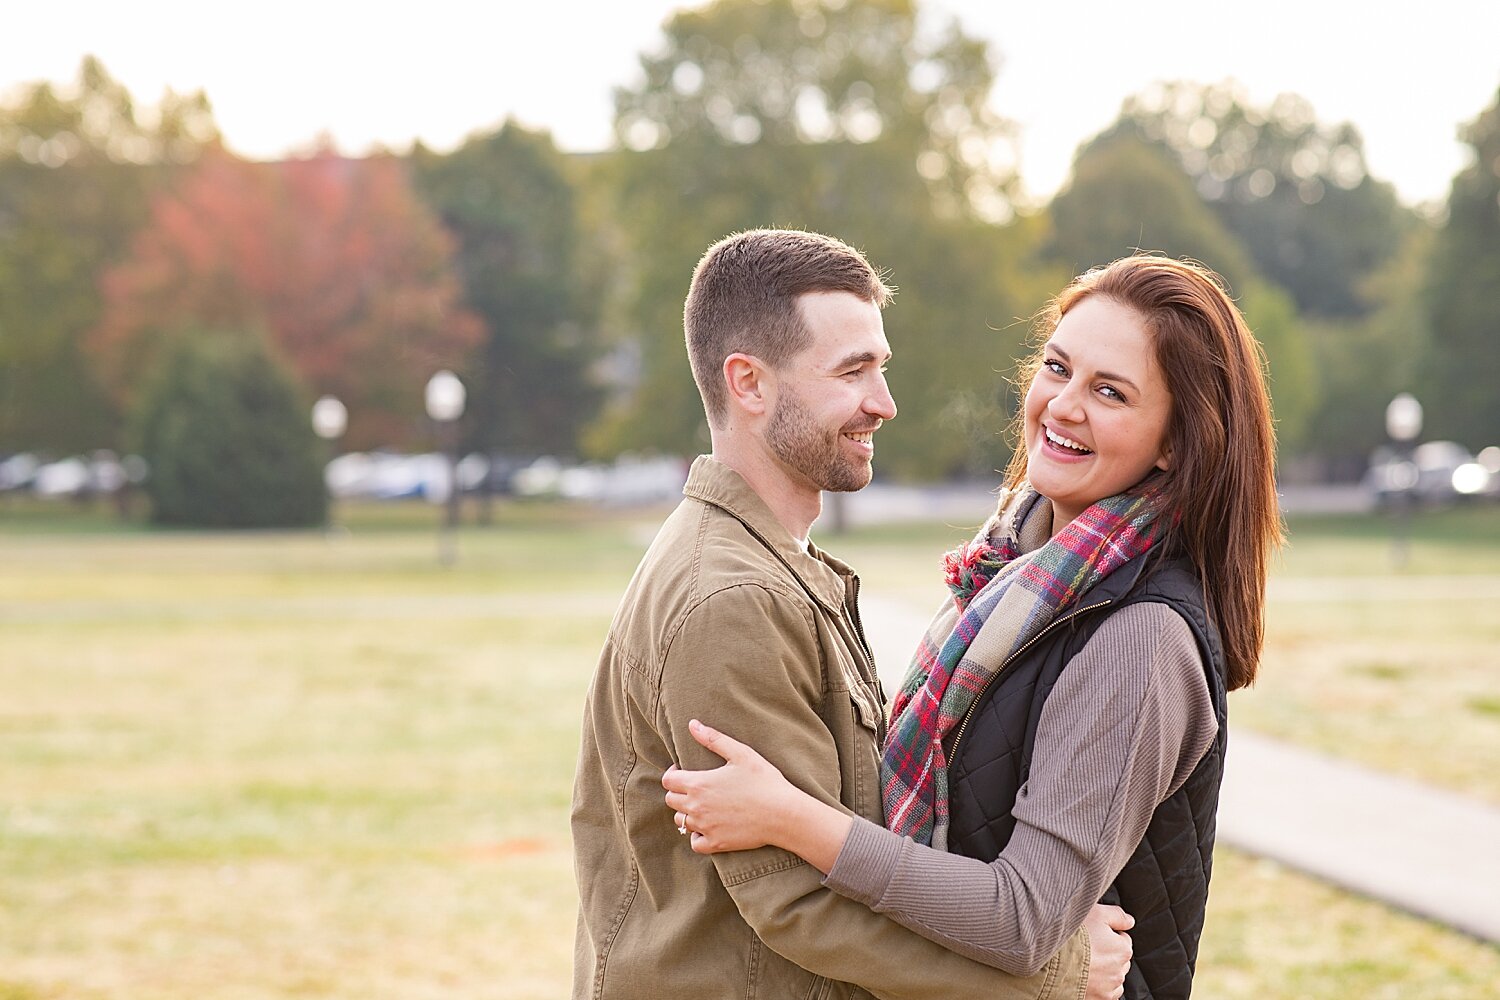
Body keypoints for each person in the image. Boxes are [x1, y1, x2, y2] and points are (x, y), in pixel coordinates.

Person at [664, 254, 1283, 1000]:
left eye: (1111, 392)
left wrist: (794, 819)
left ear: (1174, 443)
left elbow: (1025, 919)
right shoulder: (1005, 581)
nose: (1063, 406)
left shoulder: (1140, 639)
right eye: (1057, 368)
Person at [572, 229, 1134, 1000]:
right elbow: (802, 904)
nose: (884, 402)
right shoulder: (735, 600)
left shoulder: (772, 565)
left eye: (882, 367)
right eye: (853, 371)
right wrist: (1054, 976)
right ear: (749, 383)